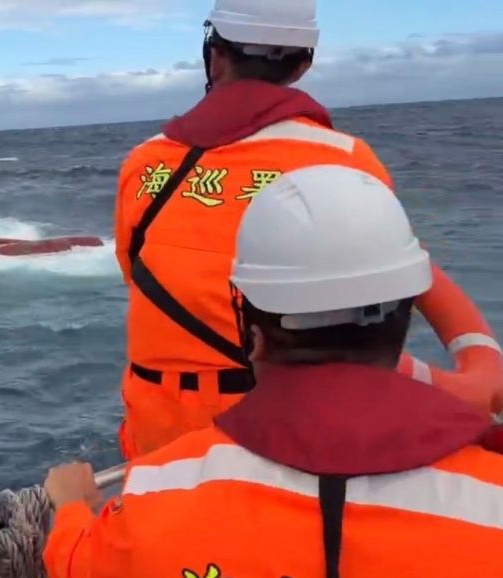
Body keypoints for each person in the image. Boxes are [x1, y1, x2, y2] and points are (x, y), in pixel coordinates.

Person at [43, 165, 503, 578]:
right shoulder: (491, 495)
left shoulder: (153, 494)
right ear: (405, 321)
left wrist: (71, 507)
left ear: (254, 334)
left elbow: (78, 562)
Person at [113, 0, 402, 460]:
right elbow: (379, 300)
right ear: (303, 65)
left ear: (215, 57)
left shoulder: (144, 161)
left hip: (158, 427)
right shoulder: (347, 158)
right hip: (285, 423)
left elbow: (135, 271)